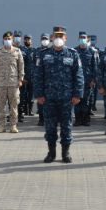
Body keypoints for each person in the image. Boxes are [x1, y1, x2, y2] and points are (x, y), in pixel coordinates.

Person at [33, 26, 83, 164]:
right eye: (56, 36)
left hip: (67, 98)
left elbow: (78, 75)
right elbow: (38, 76)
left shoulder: (73, 54)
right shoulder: (43, 54)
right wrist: (39, 94)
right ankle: (51, 152)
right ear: (52, 38)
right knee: (50, 126)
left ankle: (65, 153)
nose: (59, 39)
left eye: (61, 36)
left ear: (66, 38)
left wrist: (77, 94)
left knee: (66, 126)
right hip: (49, 98)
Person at [0, 31, 24, 133]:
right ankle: (2, 125)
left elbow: (21, 67)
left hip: (13, 83)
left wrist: (20, 79)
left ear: (12, 39)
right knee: (1, 105)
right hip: (1, 83)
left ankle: (13, 125)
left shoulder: (17, 51)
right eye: (5, 39)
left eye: (9, 39)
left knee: (14, 105)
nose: (7, 40)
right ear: (3, 40)